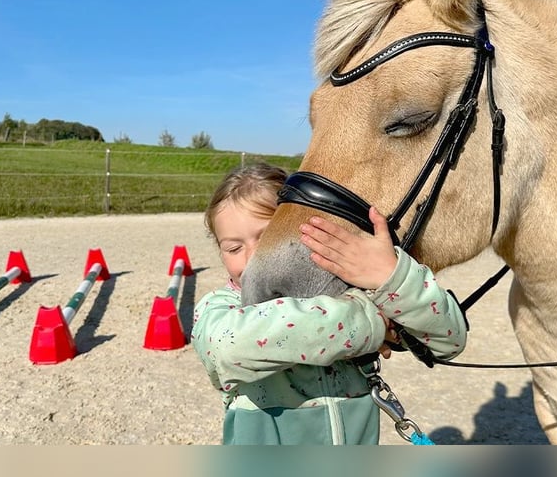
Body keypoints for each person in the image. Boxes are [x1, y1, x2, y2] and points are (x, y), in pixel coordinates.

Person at [191, 162, 467, 445]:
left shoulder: (347, 291)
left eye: (268, 238)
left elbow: (448, 341)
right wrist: (369, 322)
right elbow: (225, 348)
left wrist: (390, 275)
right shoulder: (221, 308)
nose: (252, 257)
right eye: (233, 248)